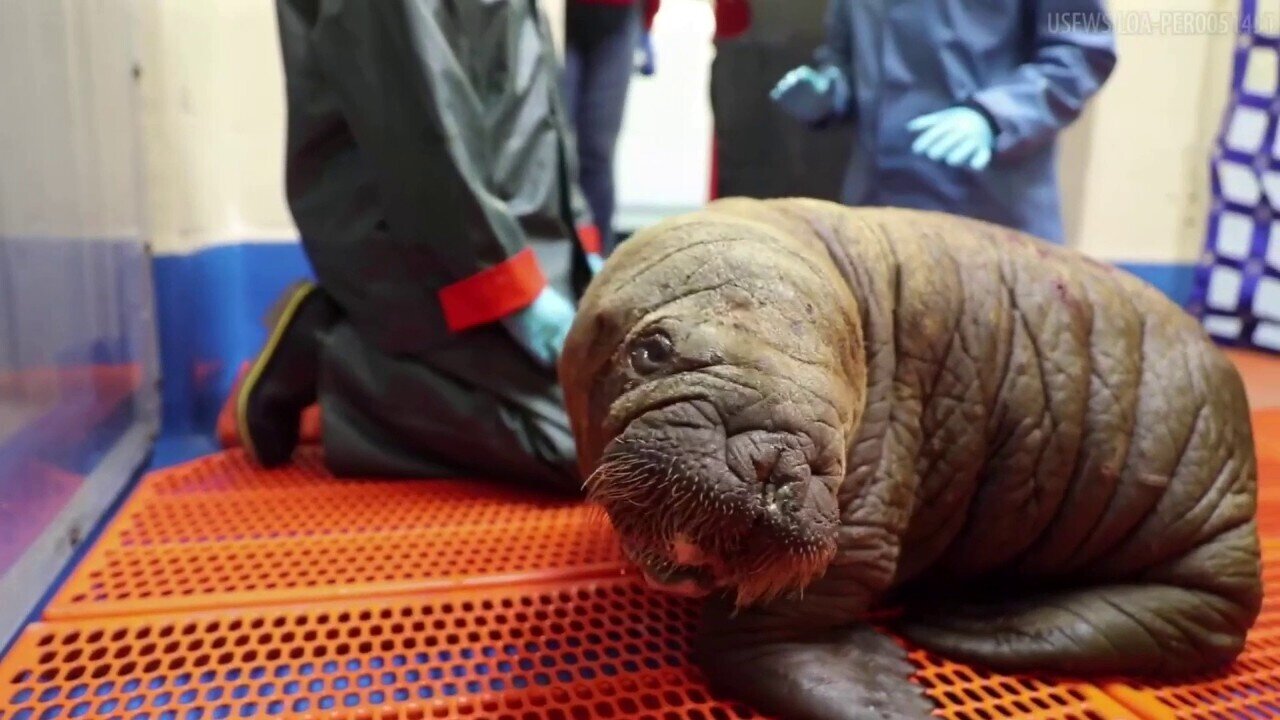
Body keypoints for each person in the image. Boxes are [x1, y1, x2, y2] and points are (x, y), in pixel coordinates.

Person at [231, 0, 603, 493]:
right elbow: (419, 127)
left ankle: (400, 369)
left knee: (614, 414)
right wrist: (513, 287)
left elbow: (535, 104)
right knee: (579, 448)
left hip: (503, 239)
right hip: (418, 246)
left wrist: (580, 250)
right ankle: (329, 355)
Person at [770, 0, 1117, 243]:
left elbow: (1082, 50)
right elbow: (845, 56)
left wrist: (995, 116)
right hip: (875, 215)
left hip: (988, 211)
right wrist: (830, 89)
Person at [562, 0, 661, 254]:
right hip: (560, 12)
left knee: (596, 150)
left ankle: (596, 256)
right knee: (557, 145)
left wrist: (647, 23)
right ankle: (555, 261)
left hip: (619, 16)